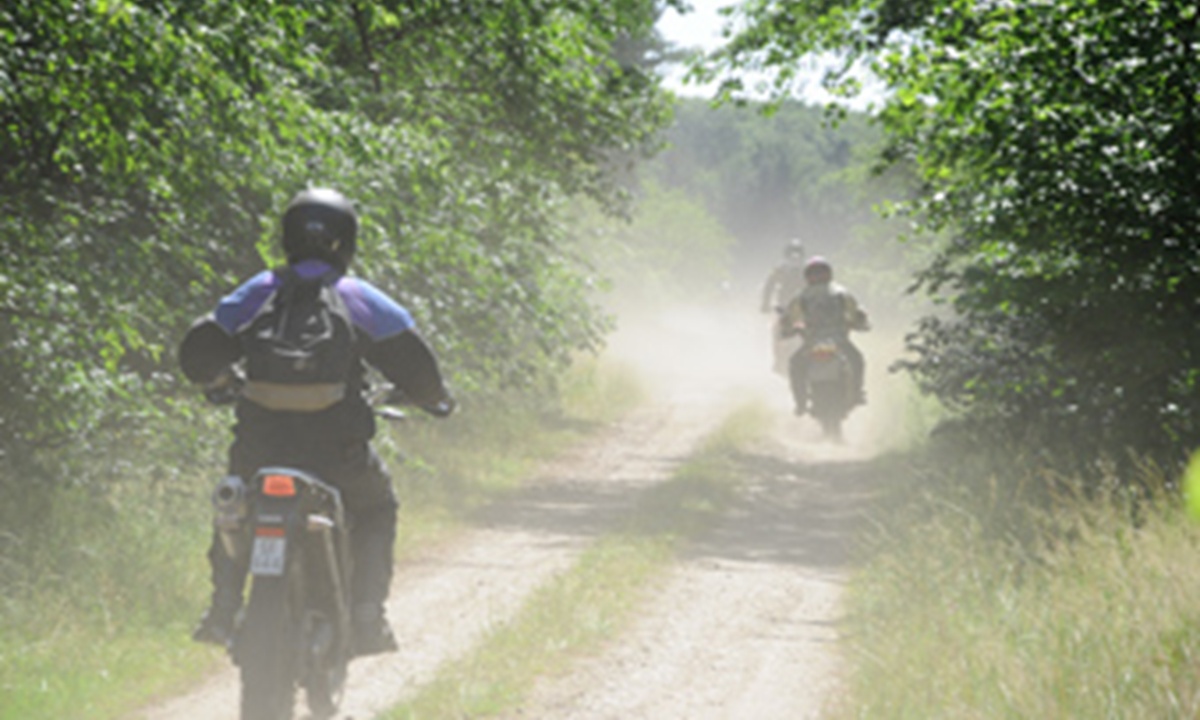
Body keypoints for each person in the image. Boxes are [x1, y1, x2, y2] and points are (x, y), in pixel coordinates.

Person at [178, 187, 455, 656]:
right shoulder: (357, 297)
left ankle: (221, 609)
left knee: (235, 505)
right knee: (377, 508)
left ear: (287, 237)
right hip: (338, 454)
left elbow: (199, 350)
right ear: (347, 239)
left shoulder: (260, 290)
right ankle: (367, 616)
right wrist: (435, 400)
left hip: (260, 447)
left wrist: (220, 380)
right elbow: (416, 365)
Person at [782, 256, 868, 416]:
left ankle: (801, 402)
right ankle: (857, 393)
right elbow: (856, 314)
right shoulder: (841, 292)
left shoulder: (802, 296)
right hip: (839, 341)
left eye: (819, 273)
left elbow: (789, 318)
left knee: (796, 365)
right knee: (857, 360)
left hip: (812, 342)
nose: (817, 276)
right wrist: (860, 324)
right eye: (815, 273)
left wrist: (788, 330)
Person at [760, 238, 808, 374]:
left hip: (785, 307)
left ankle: (778, 361)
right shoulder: (808, 267)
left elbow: (769, 285)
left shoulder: (780, 268)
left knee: (776, 330)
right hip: (804, 306)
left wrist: (765, 304)